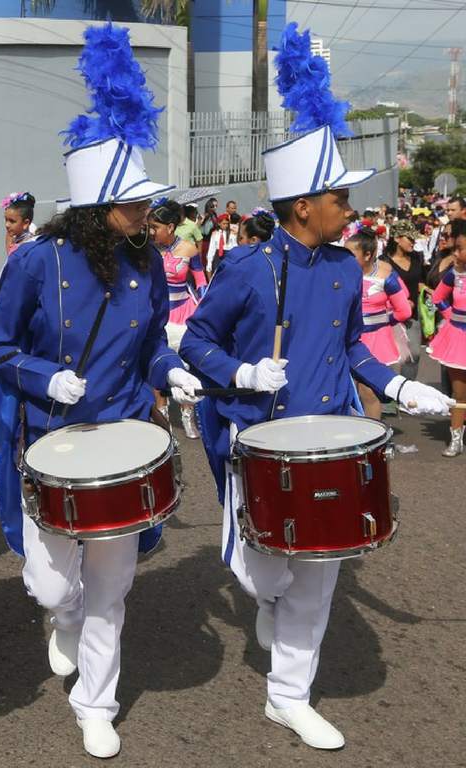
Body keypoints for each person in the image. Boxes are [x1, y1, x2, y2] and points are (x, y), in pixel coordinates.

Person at [180, 24, 452, 752]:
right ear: (303, 205)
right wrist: (239, 372)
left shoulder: (339, 266)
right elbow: (195, 340)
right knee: (261, 570)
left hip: (328, 437)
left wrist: (400, 386)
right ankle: (266, 597)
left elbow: (350, 348)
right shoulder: (242, 267)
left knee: (319, 575)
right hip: (253, 437)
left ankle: (288, 696)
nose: (350, 209)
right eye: (339, 197)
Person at [0, 24, 201, 760]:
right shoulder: (35, 263)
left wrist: (172, 373)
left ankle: (95, 704)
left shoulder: (150, 265)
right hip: (50, 445)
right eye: (135, 206)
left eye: (148, 206)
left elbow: (146, 348)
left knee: (112, 589)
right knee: (53, 589)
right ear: (97, 203)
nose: (149, 216)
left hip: (126, 440)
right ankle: (62, 618)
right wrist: (47, 376)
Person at [148, 198, 205, 439]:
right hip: (158, 313)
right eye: (149, 227)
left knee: (186, 366)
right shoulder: (147, 251)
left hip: (184, 314)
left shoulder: (189, 249)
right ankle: (161, 417)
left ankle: (187, 414)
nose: (151, 232)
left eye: (155, 228)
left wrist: (205, 308)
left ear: (170, 227)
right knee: (156, 361)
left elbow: (201, 281)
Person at [345, 227, 412, 419]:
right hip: (346, 338)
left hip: (375, 340)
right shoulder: (341, 274)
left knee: (368, 391)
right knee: (348, 390)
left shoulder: (386, 276)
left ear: (367, 255)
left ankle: (373, 440)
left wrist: (381, 321)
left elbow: (404, 310)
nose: (345, 258)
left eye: (351, 254)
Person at [428, 218, 466, 456]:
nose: (456, 253)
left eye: (460, 248)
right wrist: (451, 315)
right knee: (459, 393)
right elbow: (437, 298)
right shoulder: (455, 274)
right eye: (455, 248)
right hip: (458, 337)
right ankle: (456, 439)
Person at [381, 220, 425, 381]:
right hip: (391, 318)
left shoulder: (416, 258)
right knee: (391, 359)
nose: (413, 242)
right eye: (410, 239)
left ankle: (407, 393)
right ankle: (388, 398)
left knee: (413, 356)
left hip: (412, 317)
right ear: (397, 239)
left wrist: (428, 290)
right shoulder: (384, 261)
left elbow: (419, 281)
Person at [3, 191, 35, 255]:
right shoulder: (15, 239)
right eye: (6, 220)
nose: (7, 225)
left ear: (25, 223)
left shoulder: (29, 247)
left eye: (12, 221)